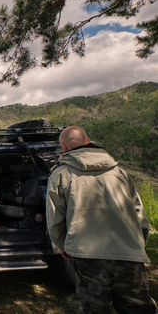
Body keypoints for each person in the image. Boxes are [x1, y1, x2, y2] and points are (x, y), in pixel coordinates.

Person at [46, 126, 157, 314]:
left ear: (63, 146)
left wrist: (61, 245)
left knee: (94, 307)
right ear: (88, 140)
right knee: (138, 307)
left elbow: (55, 216)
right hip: (128, 250)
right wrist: (139, 243)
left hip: (86, 254)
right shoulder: (120, 172)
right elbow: (139, 212)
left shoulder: (60, 174)